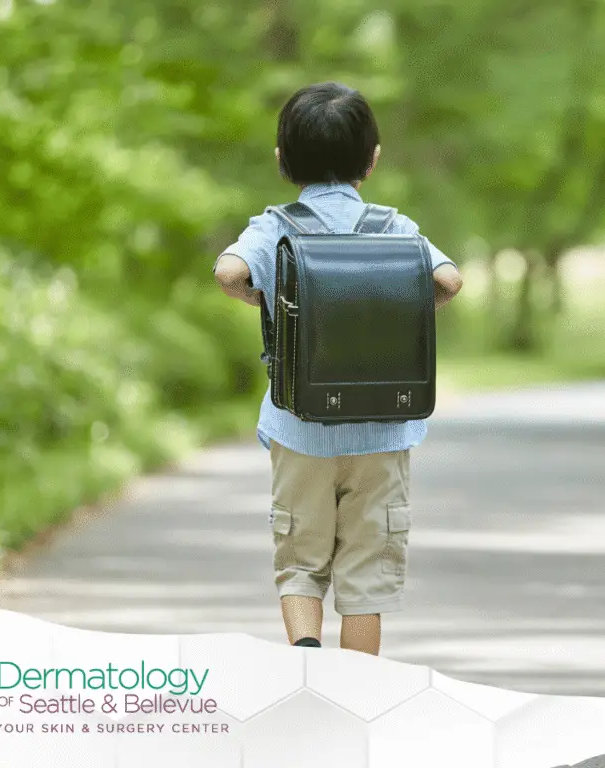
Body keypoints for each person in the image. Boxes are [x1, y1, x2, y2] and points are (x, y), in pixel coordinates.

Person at [213, 81, 463, 655]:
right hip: (382, 428)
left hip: (298, 428)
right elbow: (448, 280)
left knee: (301, 559)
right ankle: (359, 689)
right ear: (371, 160)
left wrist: (263, 297)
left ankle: (306, 651)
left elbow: (228, 272)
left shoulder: (276, 228)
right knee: (368, 571)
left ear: (283, 161)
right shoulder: (396, 229)